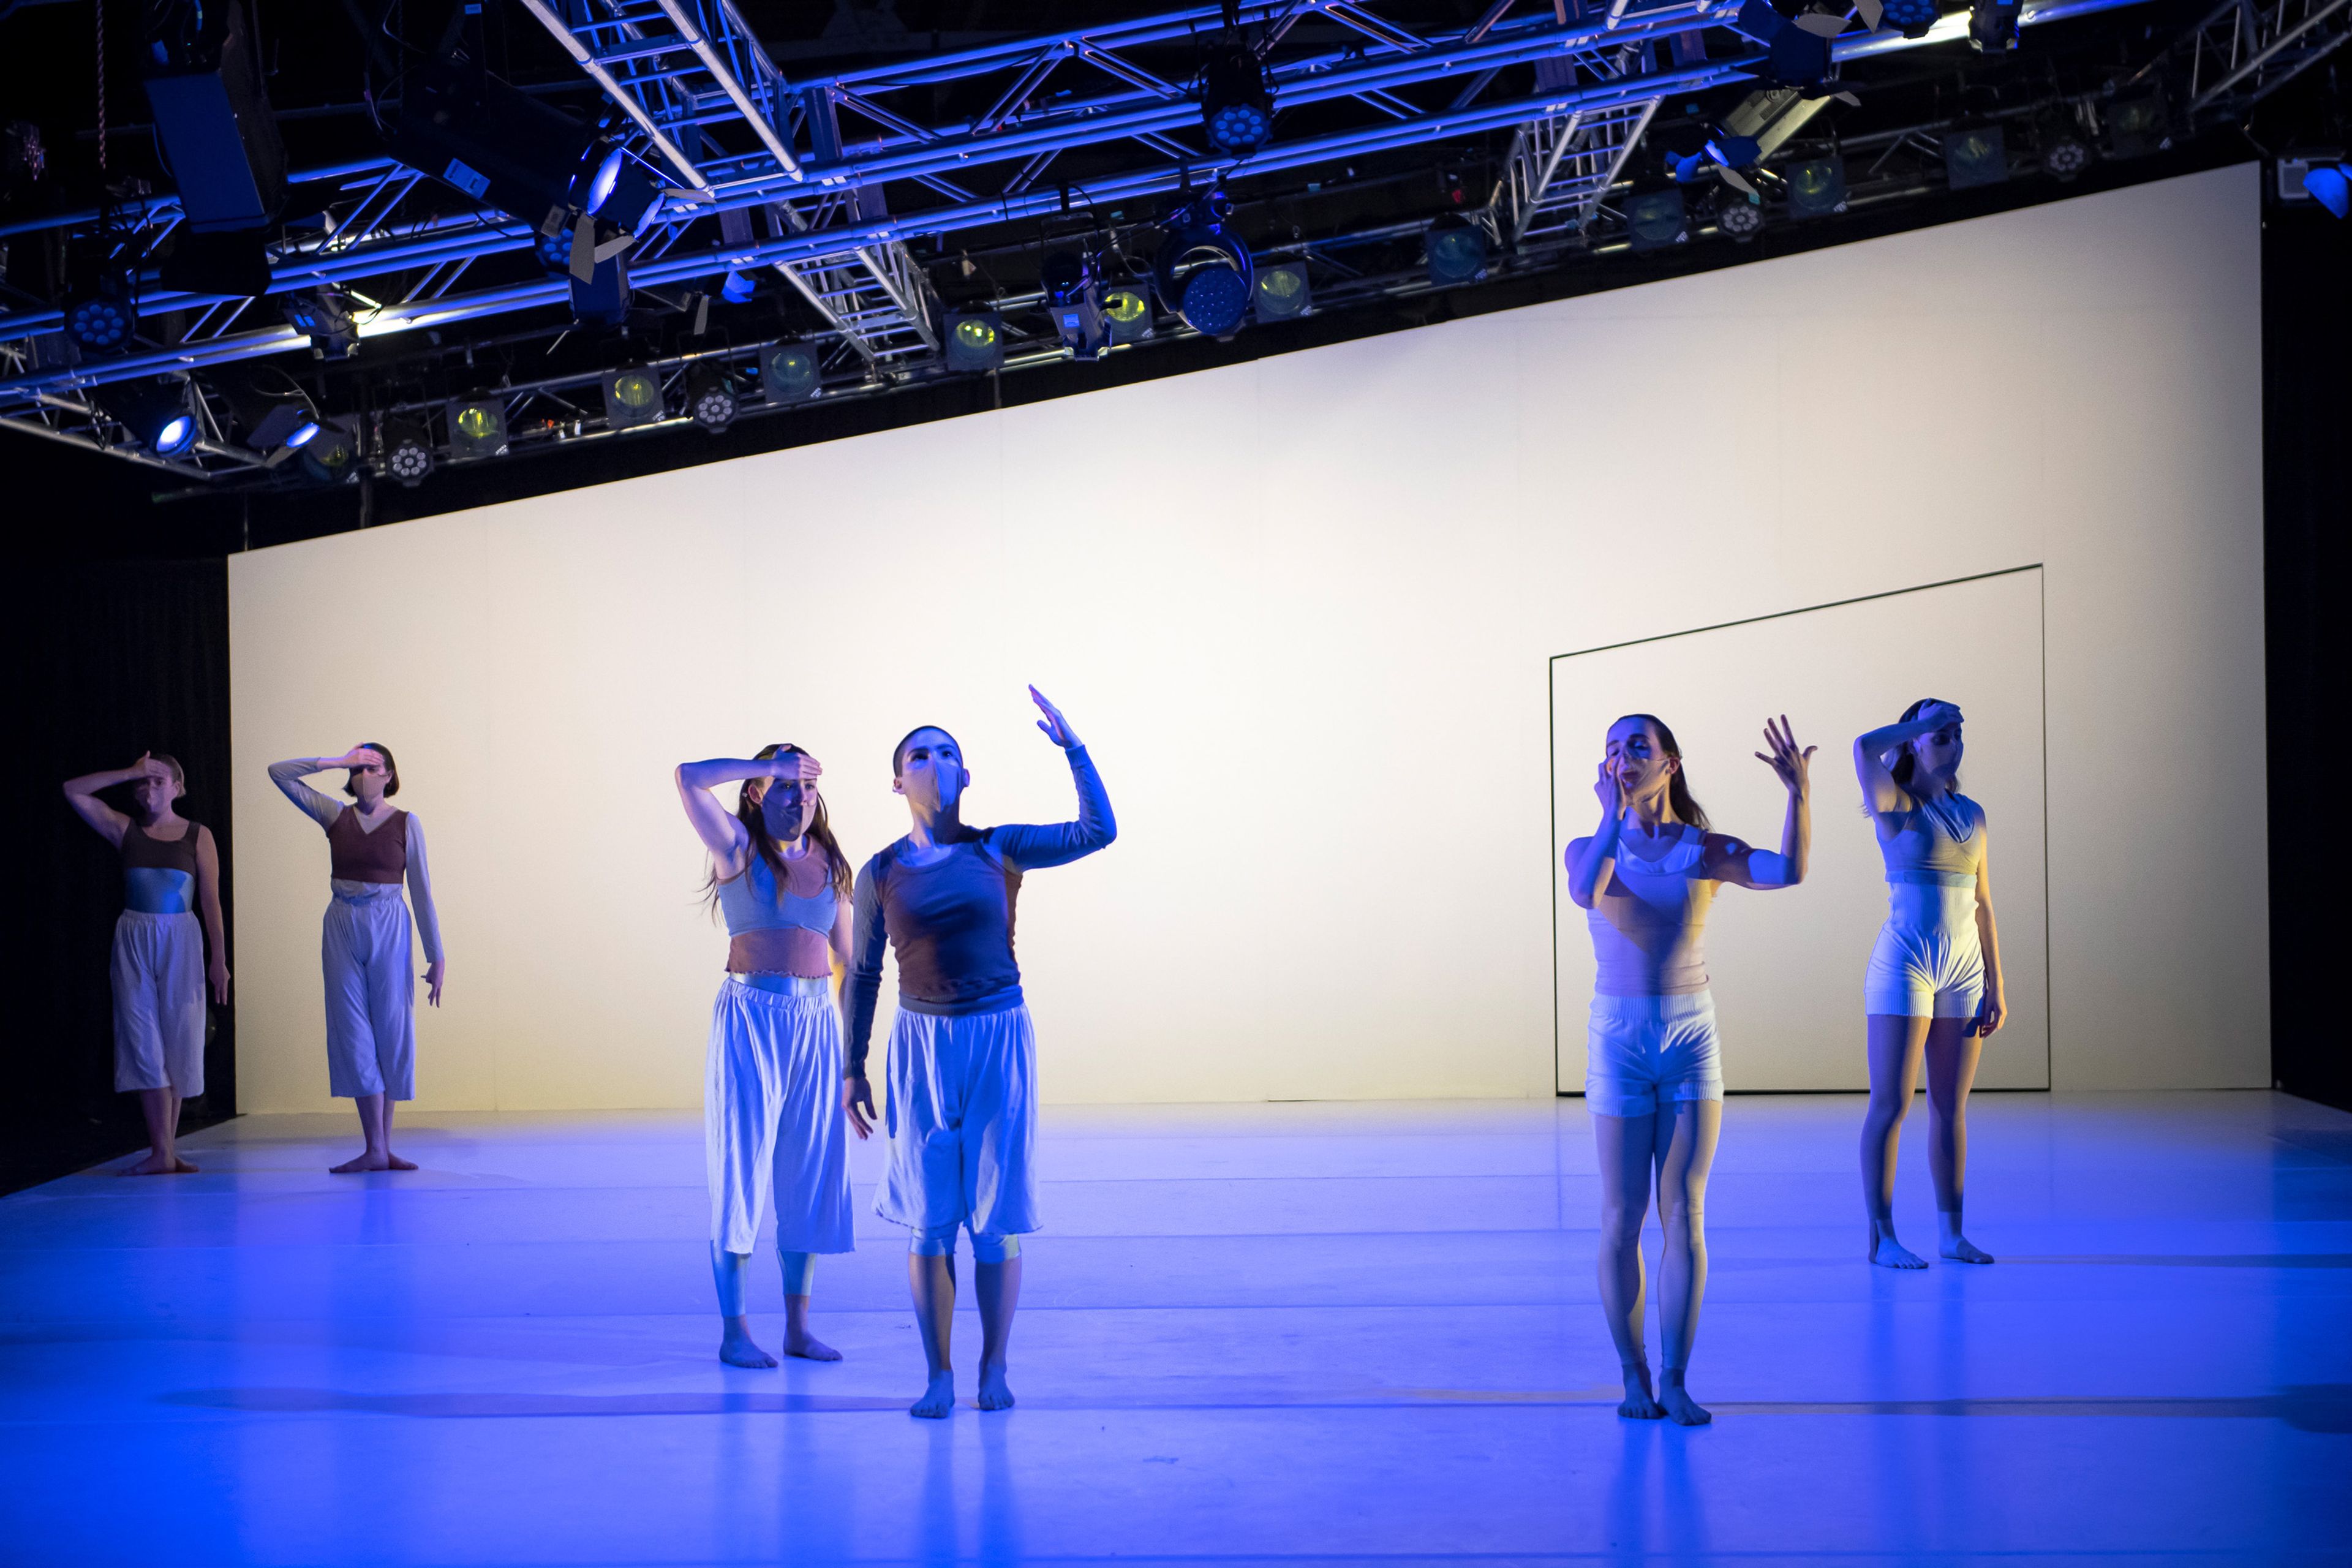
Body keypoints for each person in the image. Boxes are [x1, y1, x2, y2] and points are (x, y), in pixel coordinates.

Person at [844, 688, 1116, 1418]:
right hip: (921, 1046)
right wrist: (851, 1066)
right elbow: (864, 973)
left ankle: (994, 1365)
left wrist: (1074, 749)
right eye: (918, 754)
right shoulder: (878, 872)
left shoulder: (998, 847)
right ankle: (938, 1374)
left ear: (968, 777)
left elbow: (1099, 831)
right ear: (898, 780)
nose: (935, 762)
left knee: (993, 1219)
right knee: (930, 1220)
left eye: (949, 753)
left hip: (998, 1038)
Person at [1564, 714, 1814, 1425]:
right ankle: (1633, 1375)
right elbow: (1587, 890)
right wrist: (1612, 814)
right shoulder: (1589, 845)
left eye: (1638, 745)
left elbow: (1787, 871)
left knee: (1685, 1213)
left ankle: (1675, 1376)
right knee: (1622, 1216)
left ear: (1670, 763)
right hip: (1618, 1037)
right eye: (1612, 748)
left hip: (1689, 1036)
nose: (1623, 756)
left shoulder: (1702, 849)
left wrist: (1799, 795)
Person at [674, 743, 862, 1367]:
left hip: (815, 1026)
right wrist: (769, 765)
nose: (799, 797)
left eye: (807, 786)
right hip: (751, 1018)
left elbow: (848, 961)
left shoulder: (831, 861)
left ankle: (797, 1327)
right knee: (741, 1170)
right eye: (785, 785)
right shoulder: (736, 848)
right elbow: (688, 778)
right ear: (757, 793)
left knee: (806, 1173)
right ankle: (734, 1331)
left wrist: (851, 1055)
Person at [1854, 699, 2005, 1269]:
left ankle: (1951, 1233)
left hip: (1965, 968)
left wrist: (1997, 983)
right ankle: (1883, 1236)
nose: (1953, 741)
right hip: (1905, 964)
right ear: (1914, 743)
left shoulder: (1974, 813)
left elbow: (1984, 905)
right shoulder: (1895, 804)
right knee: (1891, 1105)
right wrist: (1919, 723)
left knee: (1950, 1107)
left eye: (1957, 733)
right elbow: (1864, 748)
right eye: (1941, 734)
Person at [267, 745, 445, 1172]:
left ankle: (382, 1147)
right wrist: (335, 762)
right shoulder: (335, 815)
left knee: (390, 1026)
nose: (363, 775)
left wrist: (436, 955)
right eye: (358, 768)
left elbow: (420, 890)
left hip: (389, 922)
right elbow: (279, 773)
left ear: (389, 775)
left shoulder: (406, 823)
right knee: (353, 1029)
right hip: (343, 922)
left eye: (371, 768)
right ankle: (374, 1147)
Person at [62, 753, 230, 1175]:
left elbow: (210, 900)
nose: (148, 789)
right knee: (143, 1038)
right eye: (144, 783)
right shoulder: (126, 830)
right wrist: (130, 771)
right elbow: (72, 790)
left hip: (181, 939)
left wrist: (220, 962)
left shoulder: (198, 835)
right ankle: (163, 1152)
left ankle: (165, 1151)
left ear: (178, 788)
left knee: (179, 1039)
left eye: (158, 782)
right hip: (135, 938)